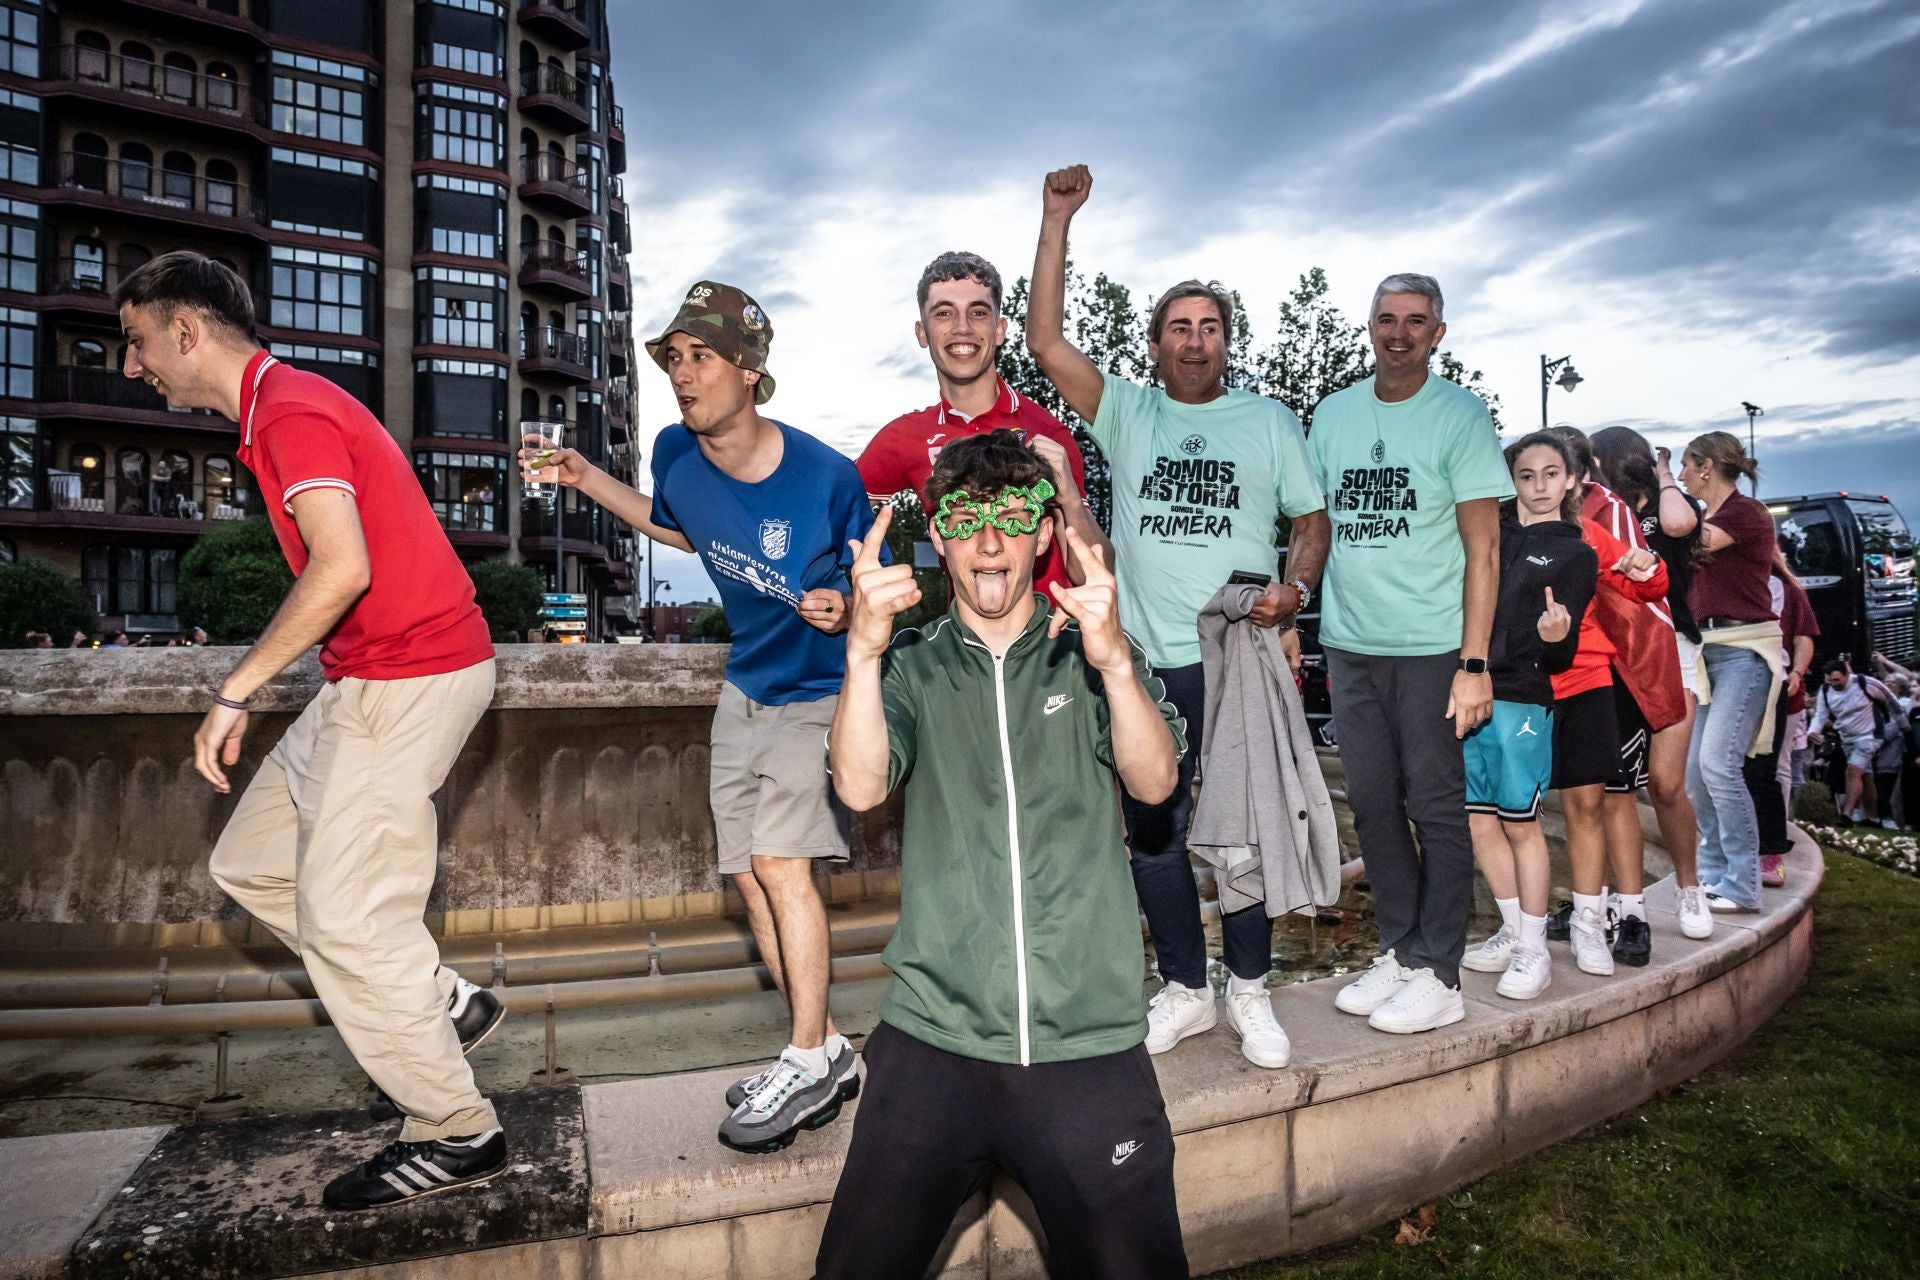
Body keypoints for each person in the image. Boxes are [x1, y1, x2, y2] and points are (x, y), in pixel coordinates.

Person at [118, 251, 507, 1208]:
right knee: (249, 862)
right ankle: (439, 1003)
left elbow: (342, 570)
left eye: (135, 342)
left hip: (411, 677)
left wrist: (235, 690)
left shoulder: (290, 413)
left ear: (185, 329)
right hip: (363, 679)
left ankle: (458, 1132)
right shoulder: (274, 413)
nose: (132, 367)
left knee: (346, 916)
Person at [815, 432, 1188, 1279]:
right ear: (939, 537)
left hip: (1087, 1046)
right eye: (967, 521)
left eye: (1012, 520)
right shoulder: (910, 665)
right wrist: (864, 651)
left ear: (1045, 536)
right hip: (933, 1043)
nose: (990, 543)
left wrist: (1117, 663)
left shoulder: (1090, 658)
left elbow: (1156, 783)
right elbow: (863, 786)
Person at [524, 281, 870, 1153]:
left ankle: (802, 1053)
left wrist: (841, 599)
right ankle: (826, 1049)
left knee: (779, 862)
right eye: (673, 358)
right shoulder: (674, 451)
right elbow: (680, 530)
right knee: (749, 877)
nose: (682, 374)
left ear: (749, 371)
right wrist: (584, 476)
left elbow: (876, 578)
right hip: (745, 687)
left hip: (818, 691)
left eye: (700, 356)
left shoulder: (827, 475)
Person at [1025, 164, 1329, 1065]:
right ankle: (1187, 989)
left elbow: (1311, 522)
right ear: (1154, 344)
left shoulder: (1269, 421)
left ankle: (1251, 991)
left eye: (1210, 328)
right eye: (1178, 328)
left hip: (1236, 658)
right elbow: (1043, 341)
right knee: (1153, 831)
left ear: (1227, 342)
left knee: (1242, 829)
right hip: (1144, 662)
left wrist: (1295, 594)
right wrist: (1055, 221)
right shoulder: (1128, 410)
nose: (1194, 342)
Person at [1308, 273, 1512, 1033]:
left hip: (1433, 649)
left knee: (1435, 806)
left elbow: (1484, 548)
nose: (1399, 333)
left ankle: (1442, 972)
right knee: (1371, 803)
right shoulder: (1332, 415)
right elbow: (1314, 522)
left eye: (1416, 321)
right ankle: (1400, 946)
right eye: (1387, 319)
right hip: (1349, 644)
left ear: (1438, 333)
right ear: (1370, 325)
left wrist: (1474, 662)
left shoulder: (1459, 415)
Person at [857, 250, 1111, 593]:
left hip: (1052, 640)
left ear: (1000, 329)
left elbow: (1095, 578)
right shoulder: (906, 437)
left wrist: (1068, 502)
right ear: (922, 333)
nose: (962, 328)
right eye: (944, 313)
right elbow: (828, 510)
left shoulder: (1047, 433)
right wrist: (846, 599)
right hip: (961, 642)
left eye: (978, 312)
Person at [1459, 433, 1595, 1000]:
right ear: (1510, 478)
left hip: (1523, 697)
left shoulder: (1576, 554)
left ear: (1570, 481)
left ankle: (1536, 948)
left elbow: (1561, 654)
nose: (1538, 486)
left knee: (1521, 823)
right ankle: (1514, 932)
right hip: (1468, 690)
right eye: (1526, 474)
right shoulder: (1489, 529)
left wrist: (1555, 638)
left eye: (1550, 474)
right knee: (1477, 820)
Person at [1589, 426, 1713, 940]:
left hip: (1672, 650)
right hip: (1617, 656)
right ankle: (1612, 902)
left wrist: (1663, 474)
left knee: (1664, 784)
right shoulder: (1598, 512)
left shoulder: (1665, 507)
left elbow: (1681, 523)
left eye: (1593, 460)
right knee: (1610, 787)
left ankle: (1690, 889)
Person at [1677, 433, 1782, 912]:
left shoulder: (1745, 513)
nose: (1679, 476)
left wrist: (1662, 490)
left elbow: (1695, 540)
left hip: (1743, 650)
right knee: (1696, 774)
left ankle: (1742, 884)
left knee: (1720, 763)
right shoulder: (1711, 515)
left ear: (1706, 467)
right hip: (1708, 653)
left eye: (1683, 466)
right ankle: (1715, 875)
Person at [1749, 548, 1818, 882]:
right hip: (1747, 685)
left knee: (1777, 764)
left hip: (1783, 689)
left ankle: (1777, 830)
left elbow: (1804, 638)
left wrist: (1798, 674)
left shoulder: (1790, 589)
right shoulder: (1739, 583)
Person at [1810, 659, 1900, 828]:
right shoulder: (1825, 690)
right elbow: (1820, 714)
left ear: (1846, 675)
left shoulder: (1865, 683)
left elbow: (1890, 698)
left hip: (1870, 735)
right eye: (1830, 681)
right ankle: (1873, 817)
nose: (1834, 684)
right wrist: (1813, 730)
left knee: (1852, 771)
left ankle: (1847, 814)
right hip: (1847, 737)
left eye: (1837, 680)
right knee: (1865, 776)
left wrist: (1903, 724)